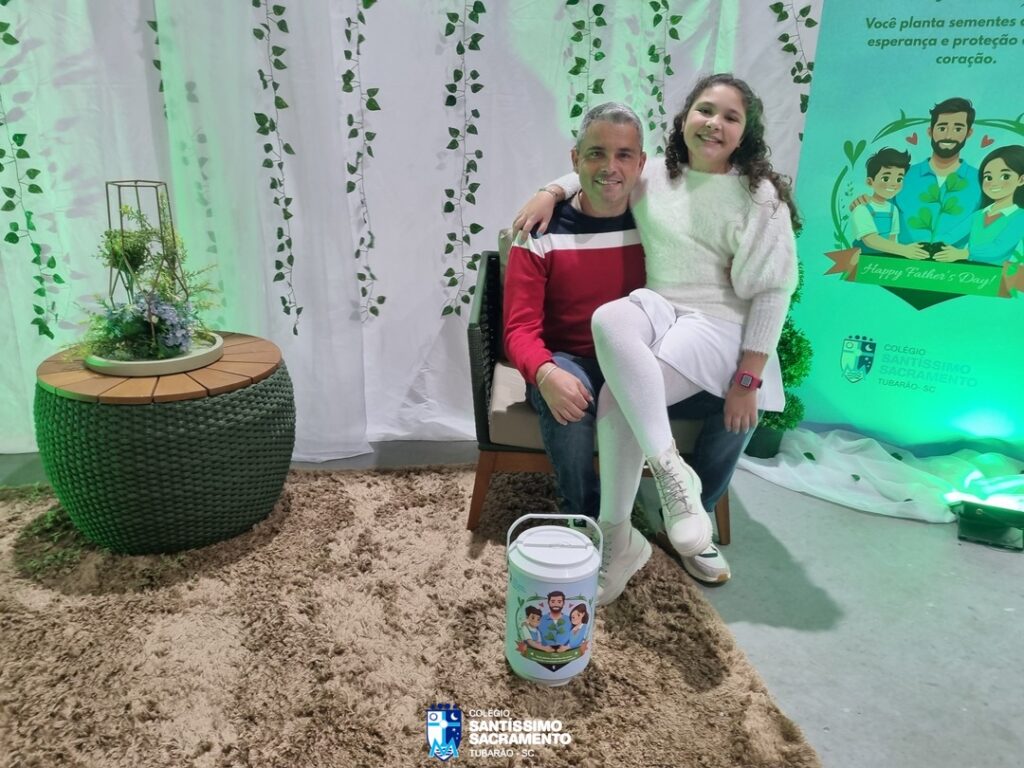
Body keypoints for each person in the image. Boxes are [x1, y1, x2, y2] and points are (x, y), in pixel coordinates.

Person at [513, 73, 800, 604]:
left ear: (746, 133)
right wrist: (551, 190)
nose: (714, 124)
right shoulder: (656, 177)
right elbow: (604, 167)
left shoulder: (760, 198)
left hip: (720, 326)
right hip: (662, 309)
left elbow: (772, 292)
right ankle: (670, 476)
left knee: (618, 399)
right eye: (705, 110)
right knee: (608, 319)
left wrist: (748, 378)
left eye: (730, 117)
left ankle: (637, 530)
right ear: (686, 118)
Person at [935, 144, 1024, 265]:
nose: (994, 183)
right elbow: (951, 236)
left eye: (1005, 176)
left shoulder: (1020, 216)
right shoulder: (978, 215)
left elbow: (999, 247)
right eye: (988, 177)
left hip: (997, 273)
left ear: (1021, 180)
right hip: (970, 271)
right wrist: (926, 245)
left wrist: (964, 254)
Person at [851, 148, 928, 259]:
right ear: (870, 182)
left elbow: (893, 238)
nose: (893, 184)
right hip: (863, 258)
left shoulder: (893, 209)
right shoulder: (862, 209)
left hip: (883, 260)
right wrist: (904, 250)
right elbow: (870, 240)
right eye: (886, 178)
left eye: (899, 179)